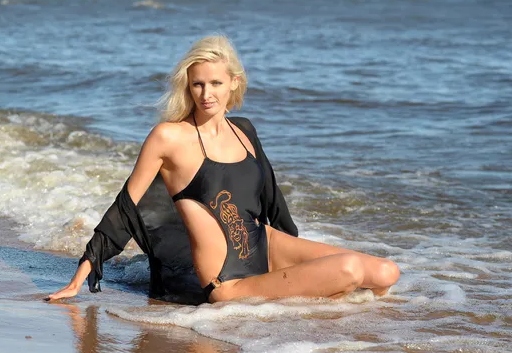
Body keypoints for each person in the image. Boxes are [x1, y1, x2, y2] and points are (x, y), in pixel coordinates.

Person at [48, 35, 400, 303]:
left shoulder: (244, 130)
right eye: (198, 83)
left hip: (268, 246)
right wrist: (85, 269)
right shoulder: (169, 136)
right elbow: (125, 206)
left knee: (387, 271)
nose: (206, 93)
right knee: (351, 270)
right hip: (227, 281)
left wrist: (298, 256)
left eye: (215, 83)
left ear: (234, 82)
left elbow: (272, 202)